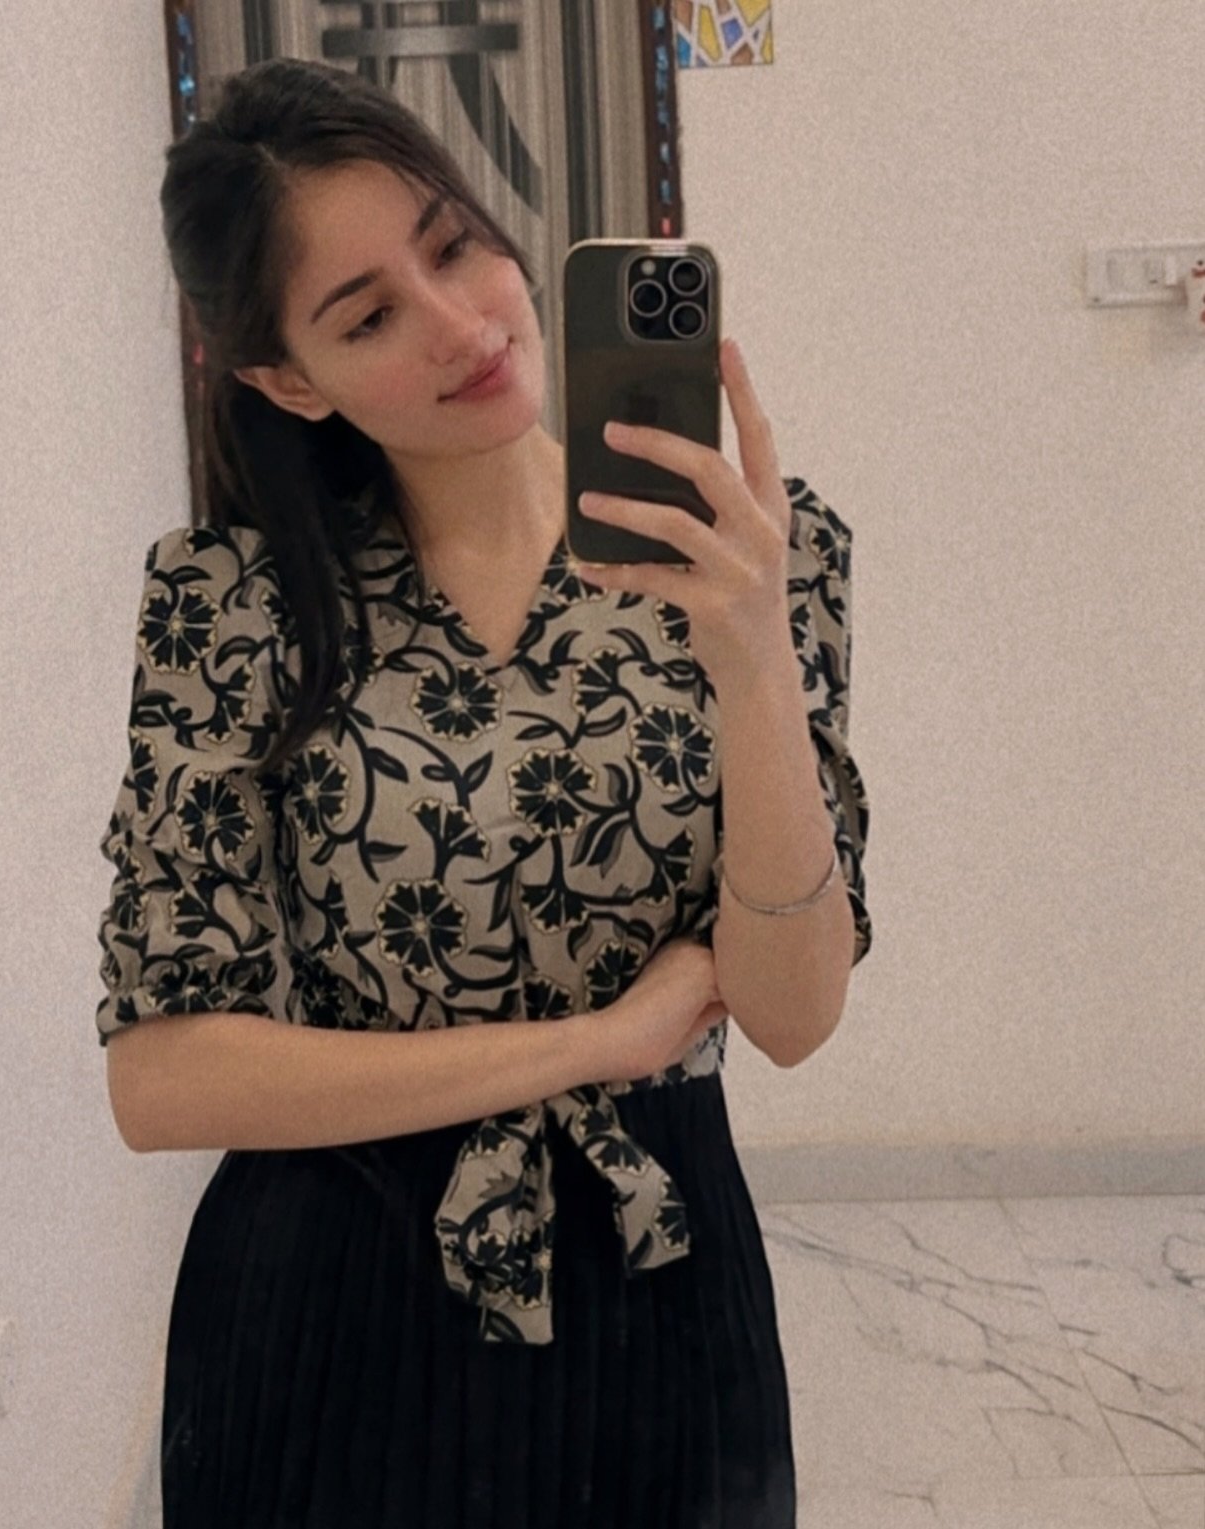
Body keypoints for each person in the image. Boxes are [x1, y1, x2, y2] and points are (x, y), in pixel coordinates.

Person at [94, 55, 871, 1529]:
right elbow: (164, 1077)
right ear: (287, 379)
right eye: (367, 315)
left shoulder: (771, 556)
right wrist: (596, 1042)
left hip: (661, 1285)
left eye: (453, 246)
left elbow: (793, 1011)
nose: (461, 326)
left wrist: (754, 661)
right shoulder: (234, 606)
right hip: (332, 1305)